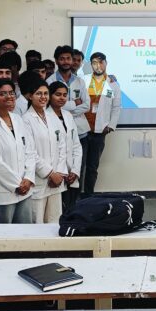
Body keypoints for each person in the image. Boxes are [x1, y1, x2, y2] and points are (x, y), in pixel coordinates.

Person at [0, 79, 36, 223]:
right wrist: (17, 184)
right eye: (2, 94)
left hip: (25, 189)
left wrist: (28, 178)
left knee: (25, 232)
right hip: (4, 192)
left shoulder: (17, 119)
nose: (9, 96)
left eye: (11, 93)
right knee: (4, 233)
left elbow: (30, 151)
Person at [21, 74, 68, 223]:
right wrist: (50, 173)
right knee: (37, 223)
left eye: (46, 93)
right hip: (40, 180)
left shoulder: (52, 116)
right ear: (30, 96)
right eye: (38, 93)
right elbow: (30, 152)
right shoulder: (25, 120)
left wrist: (59, 173)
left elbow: (62, 145)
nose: (43, 97)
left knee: (55, 221)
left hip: (57, 181)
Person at [81, 52, 121, 197]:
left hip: (99, 131)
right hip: (82, 130)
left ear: (106, 63)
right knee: (78, 165)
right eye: (94, 63)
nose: (98, 65)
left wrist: (110, 126)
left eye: (100, 62)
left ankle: (88, 196)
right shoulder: (83, 80)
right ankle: (75, 197)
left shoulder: (113, 84)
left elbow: (116, 107)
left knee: (92, 166)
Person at [49, 46, 90, 181]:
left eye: (68, 58)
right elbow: (50, 106)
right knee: (59, 167)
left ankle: (76, 195)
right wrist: (74, 104)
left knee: (79, 168)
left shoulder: (80, 81)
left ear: (72, 60)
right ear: (56, 61)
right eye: (62, 59)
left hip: (81, 132)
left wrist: (64, 111)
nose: (66, 61)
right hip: (58, 131)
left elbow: (86, 105)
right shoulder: (50, 81)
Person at [49, 81, 84, 212]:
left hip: (71, 174)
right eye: (58, 94)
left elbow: (76, 146)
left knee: (70, 209)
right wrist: (60, 172)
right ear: (50, 96)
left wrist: (75, 171)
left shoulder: (68, 115)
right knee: (56, 213)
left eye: (64, 95)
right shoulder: (45, 117)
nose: (62, 98)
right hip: (55, 174)